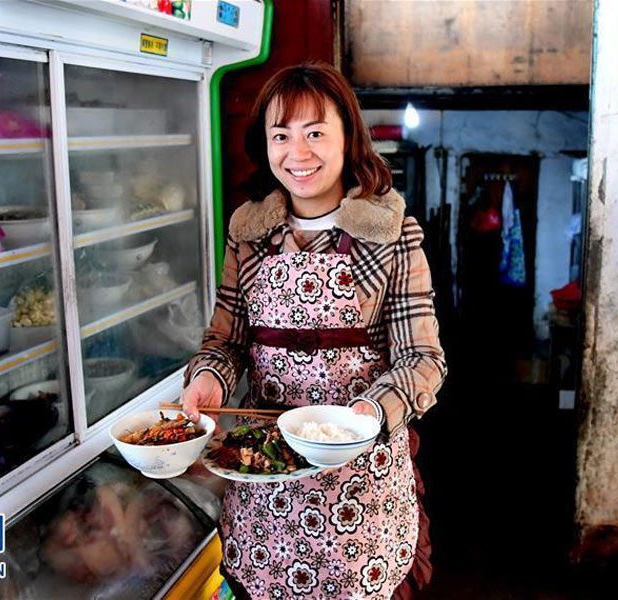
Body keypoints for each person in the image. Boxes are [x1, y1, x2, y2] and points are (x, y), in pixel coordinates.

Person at [181, 62, 446, 600]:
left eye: (316, 133)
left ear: (349, 136)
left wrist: (368, 417)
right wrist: (209, 376)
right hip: (265, 481)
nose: (297, 154)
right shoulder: (249, 234)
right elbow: (227, 341)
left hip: (360, 484)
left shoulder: (392, 233)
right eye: (281, 135)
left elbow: (423, 360)